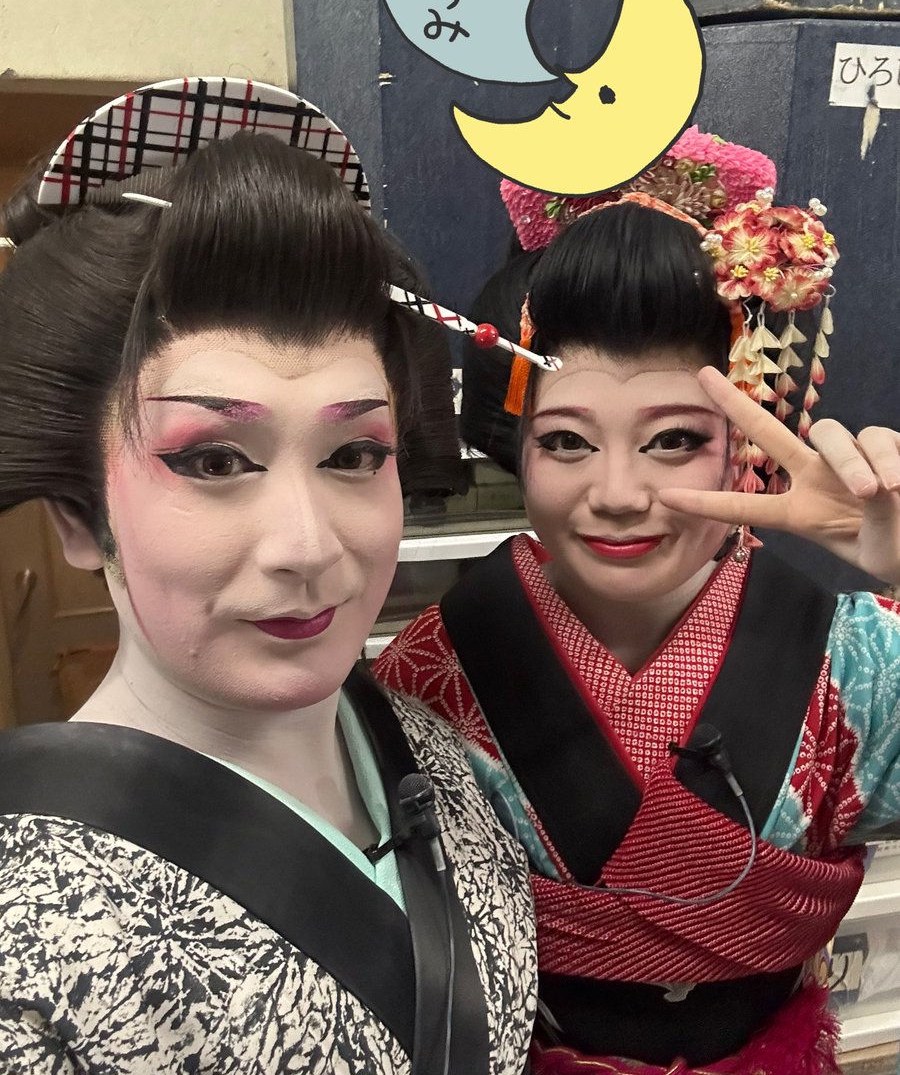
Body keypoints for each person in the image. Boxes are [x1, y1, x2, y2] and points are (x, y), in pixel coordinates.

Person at [0, 79, 536, 1075]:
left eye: (354, 455)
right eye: (213, 461)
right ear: (77, 513)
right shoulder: (24, 935)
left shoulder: (435, 757)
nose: (308, 545)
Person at [375, 133, 900, 1075]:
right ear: (517, 447)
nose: (618, 494)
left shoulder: (854, 657)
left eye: (673, 442)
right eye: (568, 443)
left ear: (741, 443)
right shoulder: (431, 670)